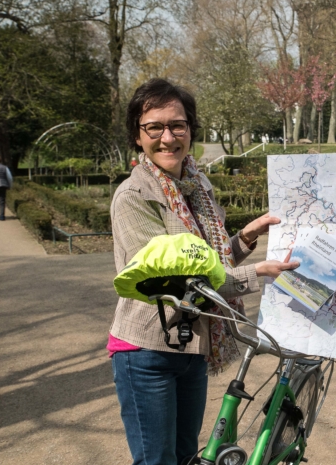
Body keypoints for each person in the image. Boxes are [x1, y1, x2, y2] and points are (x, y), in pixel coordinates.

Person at [109, 78, 299, 465]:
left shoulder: (197, 186)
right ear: (137, 135)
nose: (168, 137)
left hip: (193, 345)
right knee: (156, 460)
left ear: (191, 129)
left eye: (177, 125)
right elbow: (176, 281)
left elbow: (206, 262)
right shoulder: (134, 197)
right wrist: (256, 275)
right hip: (147, 352)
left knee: (184, 456)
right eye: (154, 127)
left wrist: (245, 238)